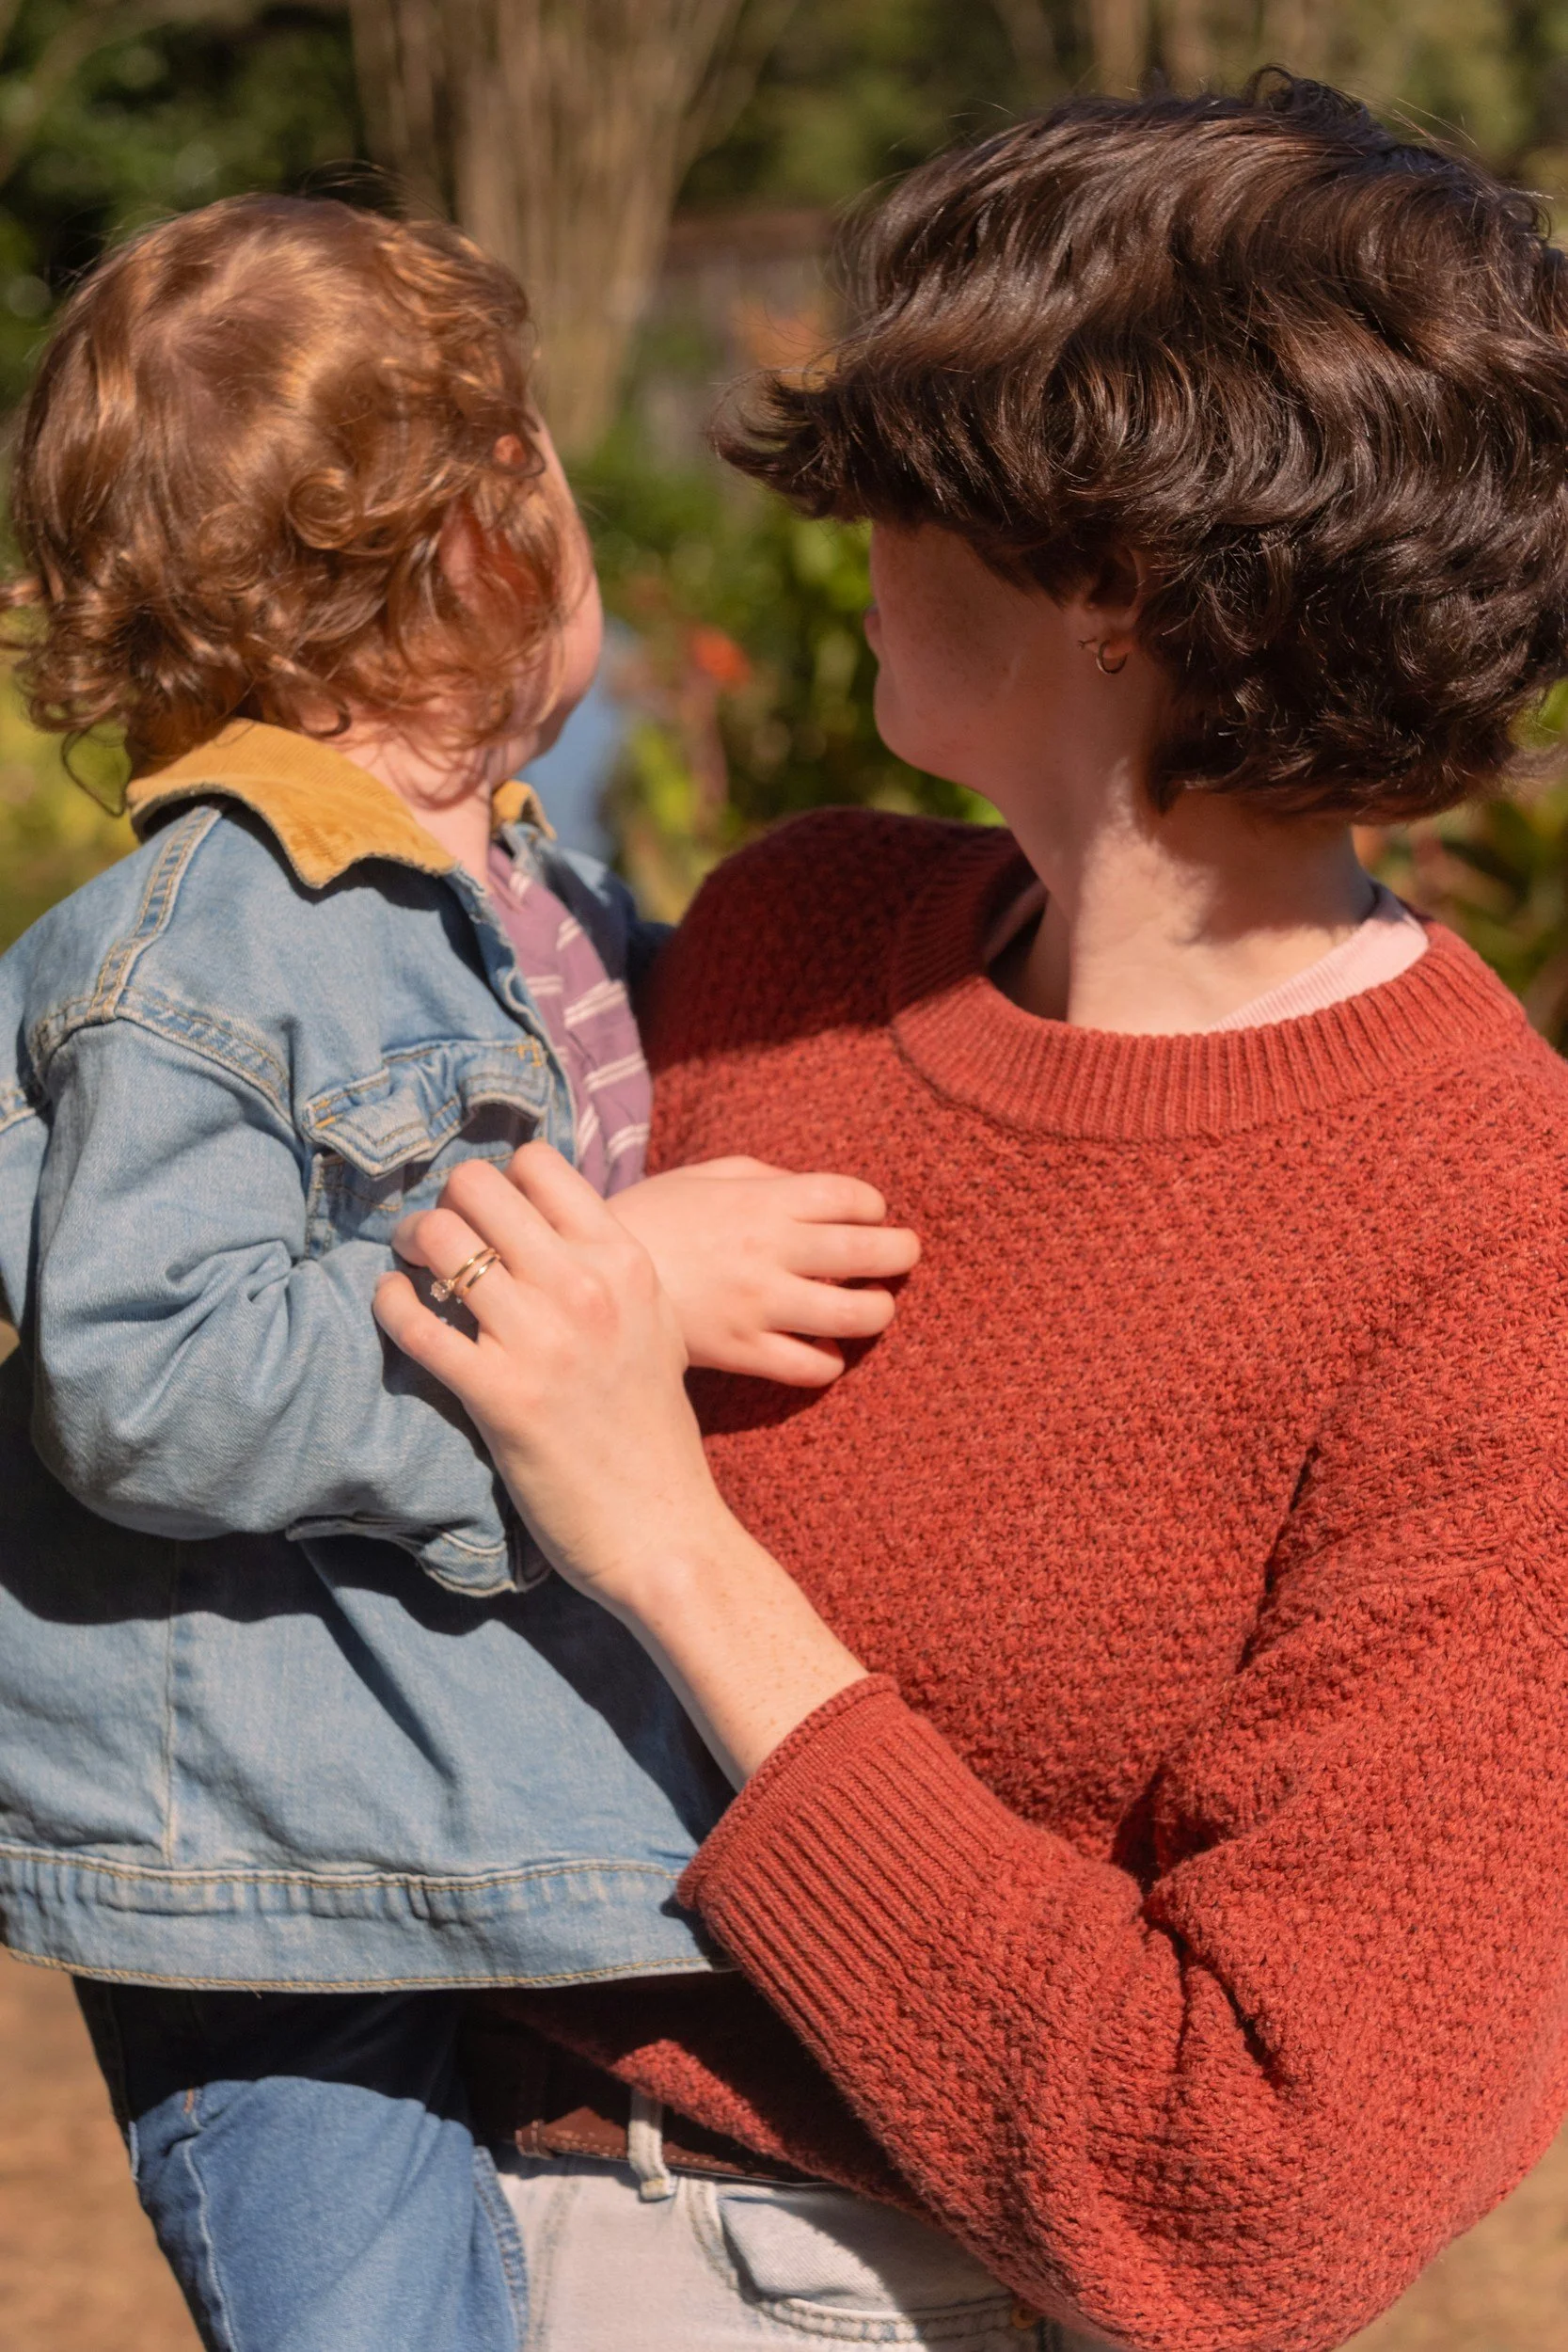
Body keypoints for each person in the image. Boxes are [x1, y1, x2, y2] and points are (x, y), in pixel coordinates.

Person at [376, 77, 1568, 2352]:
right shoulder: (784, 936)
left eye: (902, 481)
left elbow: (1251, 2195)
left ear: (1112, 575)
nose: (846, 535)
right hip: (417, 2198)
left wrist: (675, 1541)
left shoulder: (1486, 1232)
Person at [0, 195, 917, 2352]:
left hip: (462, 1821)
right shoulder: (198, 955)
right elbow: (144, 1374)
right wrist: (607, 1302)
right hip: (265, 1895)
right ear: (488, 544)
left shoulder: (531, 894)